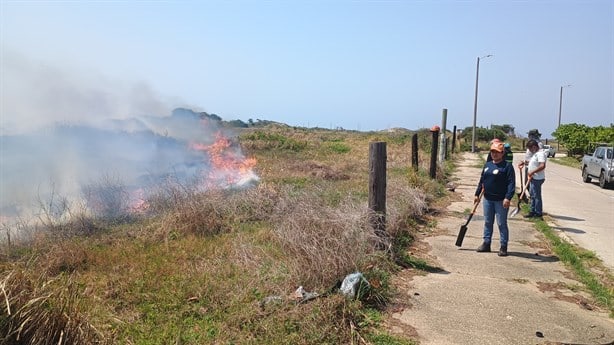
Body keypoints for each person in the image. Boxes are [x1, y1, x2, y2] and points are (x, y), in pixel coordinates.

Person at [474, 141, 516, 256]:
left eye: (497, 152)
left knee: (501, 223)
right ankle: (486, 243)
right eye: (492, 152)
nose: (494, 154)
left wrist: (508, 197)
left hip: (501, 200)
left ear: (502, 153)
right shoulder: (488, 165)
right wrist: (477, 194)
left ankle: (503, 246)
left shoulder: (507, 167)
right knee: (488, 222)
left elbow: (511, 183)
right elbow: (482, 180)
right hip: (487, 199)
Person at [518, 139, 546, 219]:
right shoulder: (535, 154)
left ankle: (538, 213)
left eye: (530, 149)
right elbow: (531, 162)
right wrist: (523, 162)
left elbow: (542, 165)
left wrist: (532, 172)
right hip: (533, 177)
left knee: (536, 196)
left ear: (534, 147)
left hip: (537, 178)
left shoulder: (540, 154)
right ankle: (532, 211)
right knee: (533, 195)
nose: (529, 151)